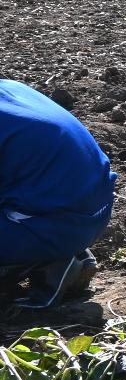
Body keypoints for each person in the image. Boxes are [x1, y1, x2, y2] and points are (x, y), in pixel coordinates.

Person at [1, 80, 116, 308]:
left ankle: (45, 262)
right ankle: (56, 252)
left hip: (57, 226)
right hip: (93, 212)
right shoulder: (8, 88)